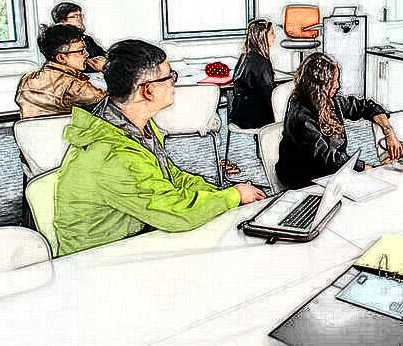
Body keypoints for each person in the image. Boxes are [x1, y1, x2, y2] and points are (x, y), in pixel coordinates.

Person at [54, 40, 265, 256]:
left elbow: (173, 177)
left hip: (133, 238)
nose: (174, 82)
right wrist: (232, 197)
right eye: (169, 77)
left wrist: (221, 194)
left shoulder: (134, 125)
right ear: (148, 90)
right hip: (98, 259)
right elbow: (176, 214)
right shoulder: (114, 154)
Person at [276, 52, 402, 190]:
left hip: (333, 171)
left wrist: (389, 132)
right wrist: (367, 169)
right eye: (333, 81)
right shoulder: (300, 115)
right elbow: (327, 158)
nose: (338, 85)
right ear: (319, 86)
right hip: (306, 178)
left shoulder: (328, 100)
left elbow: (366, 106)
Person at [15, 24, 106, 118]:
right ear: (61, 58)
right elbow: (113, 104)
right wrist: (106, 68)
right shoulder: (72, 85)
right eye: (81, 51)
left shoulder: (27, 78)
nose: (87, 54)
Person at [229, 18, 277, 129]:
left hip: (239, 114)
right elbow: (268, 95)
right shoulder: (262, 63)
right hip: (255, 118)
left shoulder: (244, 56)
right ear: (262, 37)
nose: (274, 37)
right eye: (272, 33)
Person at [51, 1, 107, 72]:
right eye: (75, 16)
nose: (80, 19)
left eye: (80, 16)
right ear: (62, 21)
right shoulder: (57, 43)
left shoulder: (87, 39)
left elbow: (103, 54)